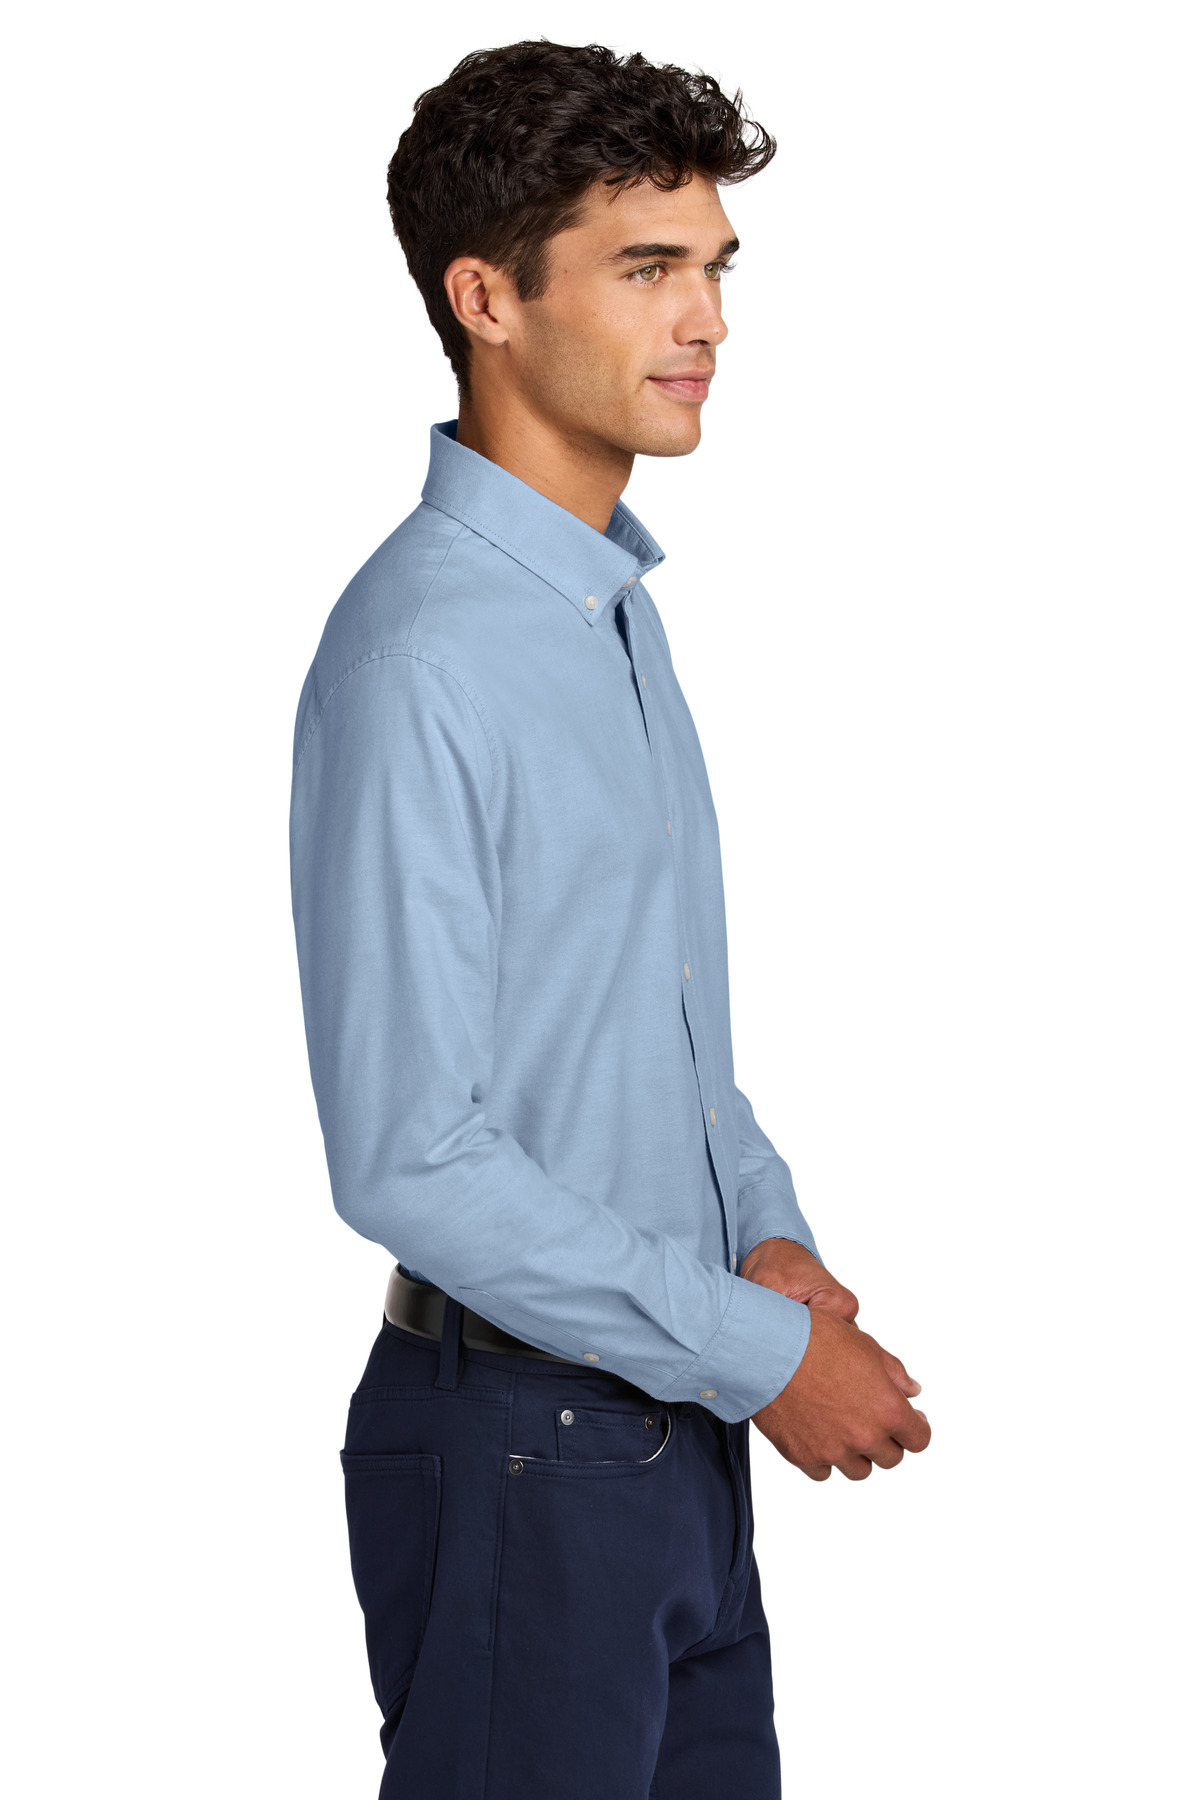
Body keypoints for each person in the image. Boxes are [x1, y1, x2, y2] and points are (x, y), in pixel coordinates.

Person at [289, 38, 931, 1799]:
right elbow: (410, 1156)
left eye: (715, 266)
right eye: (649, 268)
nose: (706, 318)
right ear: (486, 298)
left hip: (662, 1436)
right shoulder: (424, 656)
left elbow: (652, 1034)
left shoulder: (610, 617)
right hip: (524, 1443)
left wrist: (766, 1237)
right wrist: (764, 1354)